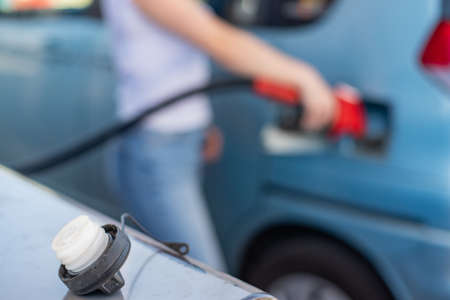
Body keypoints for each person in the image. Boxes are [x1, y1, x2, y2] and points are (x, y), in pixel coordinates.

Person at [101, 0, 335, 271]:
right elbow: (215, 38)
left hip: (170, 142)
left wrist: (199, 126)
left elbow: (172, 60)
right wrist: (301, 75)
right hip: (156, 152)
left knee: (169, 274)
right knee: (208, 283)